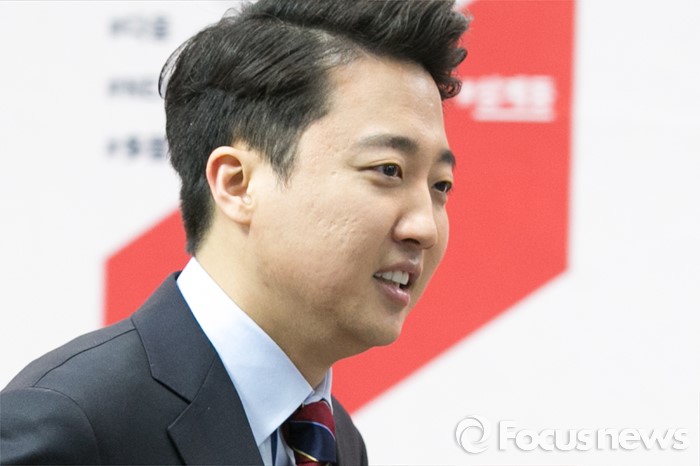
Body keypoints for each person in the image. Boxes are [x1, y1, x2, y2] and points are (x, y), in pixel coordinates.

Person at [0, 1, 470, 464]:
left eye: (441, 186)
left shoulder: (334, 438)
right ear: (237, 183)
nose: (425, 228)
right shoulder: (70, 427)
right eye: (388, 169)